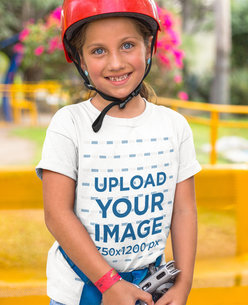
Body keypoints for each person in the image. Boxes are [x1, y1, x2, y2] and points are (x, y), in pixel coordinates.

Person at [36, 1, 201, 304]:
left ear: (148, 49)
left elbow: (184, 210)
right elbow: (57, 214)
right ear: (80, 60)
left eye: (127, 45)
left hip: (149, 289)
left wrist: (184, 282)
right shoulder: (69, 125)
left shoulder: (174, 127)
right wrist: (108, 283)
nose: (115, 63)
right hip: (78, 291)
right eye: (98, 50)